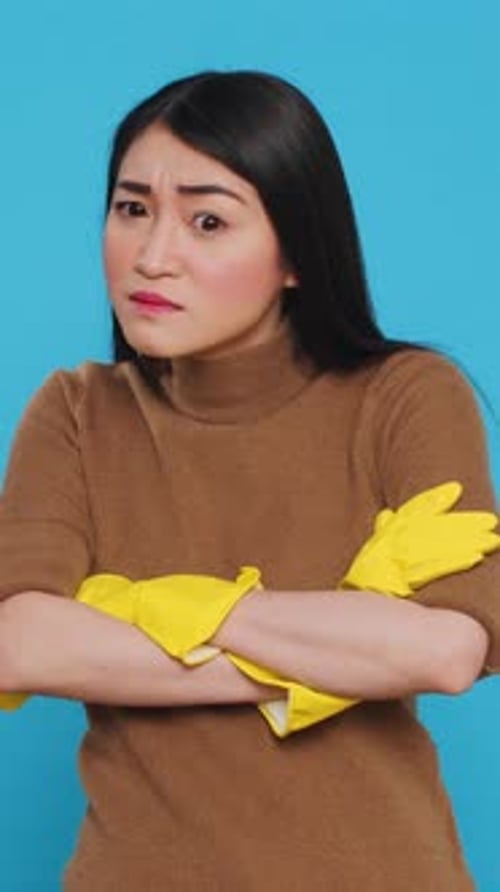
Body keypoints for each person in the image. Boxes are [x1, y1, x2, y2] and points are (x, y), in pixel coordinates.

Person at [0, 70, 499, 891]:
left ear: (298, 251)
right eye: (132, 209)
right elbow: (22, 644)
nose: (153, 256)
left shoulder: (407, 396)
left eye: (207, 220)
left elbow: (446, 650)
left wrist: (156, 608)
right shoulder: (78, 412)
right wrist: (342, 647)